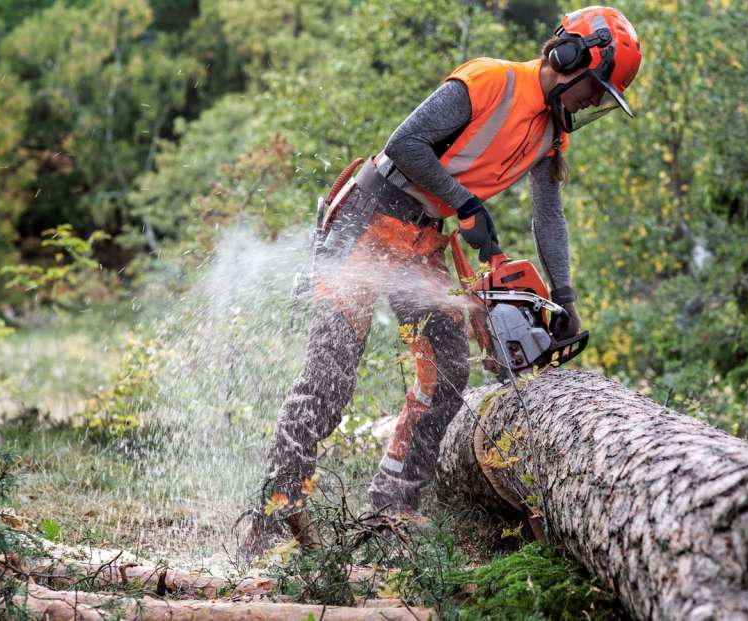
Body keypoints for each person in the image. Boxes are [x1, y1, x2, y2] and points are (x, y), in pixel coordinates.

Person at [243, 5, 642, 554]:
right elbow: (404, 142)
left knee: (448, 371)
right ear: (570, 58)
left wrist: (565, 295)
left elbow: (548, 216)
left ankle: (391, 511)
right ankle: (272, 517)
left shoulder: (552, 132)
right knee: (330, 378)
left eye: (602, 97)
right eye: (595, 89)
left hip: (424, 237)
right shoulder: (489, 82)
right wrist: (466, 203)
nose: (594, 102)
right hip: (368, 218)